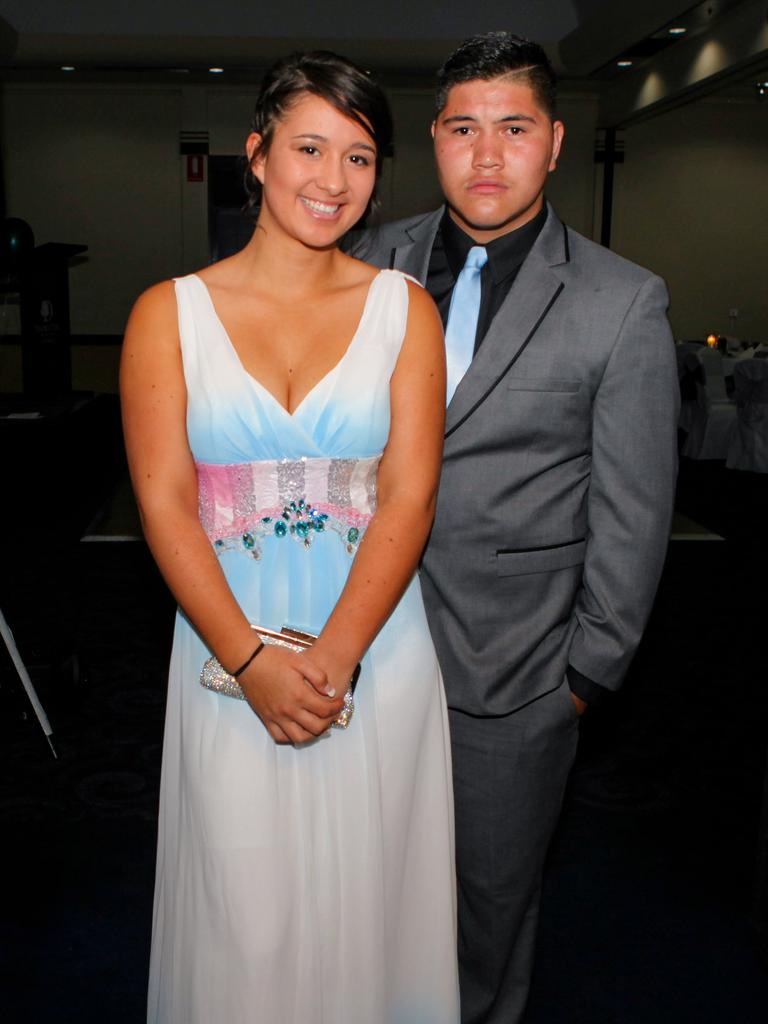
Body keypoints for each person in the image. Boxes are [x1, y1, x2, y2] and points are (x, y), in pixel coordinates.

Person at [120, 51, 460, 1024]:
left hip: (377, 653)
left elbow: (409, 496)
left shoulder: (405, 311)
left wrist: (336, 660)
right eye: (310, 148)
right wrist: (251, 661)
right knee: (246, 917)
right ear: (257, 154)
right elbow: (164, 504)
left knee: (370, 903)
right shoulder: (166, 314)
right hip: (228, 655)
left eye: (359, 158)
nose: (333, 179)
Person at [350, 31, 679, 1024]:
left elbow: (636, 511)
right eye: (462, 129)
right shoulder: (366, 259)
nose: (486, 156)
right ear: (434, 140)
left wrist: (583, 679)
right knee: (367, 888)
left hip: (517, 671)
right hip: (359, 650)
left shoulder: (623, 303)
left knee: (490, 905)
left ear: (554, 142)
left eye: (513, 129)